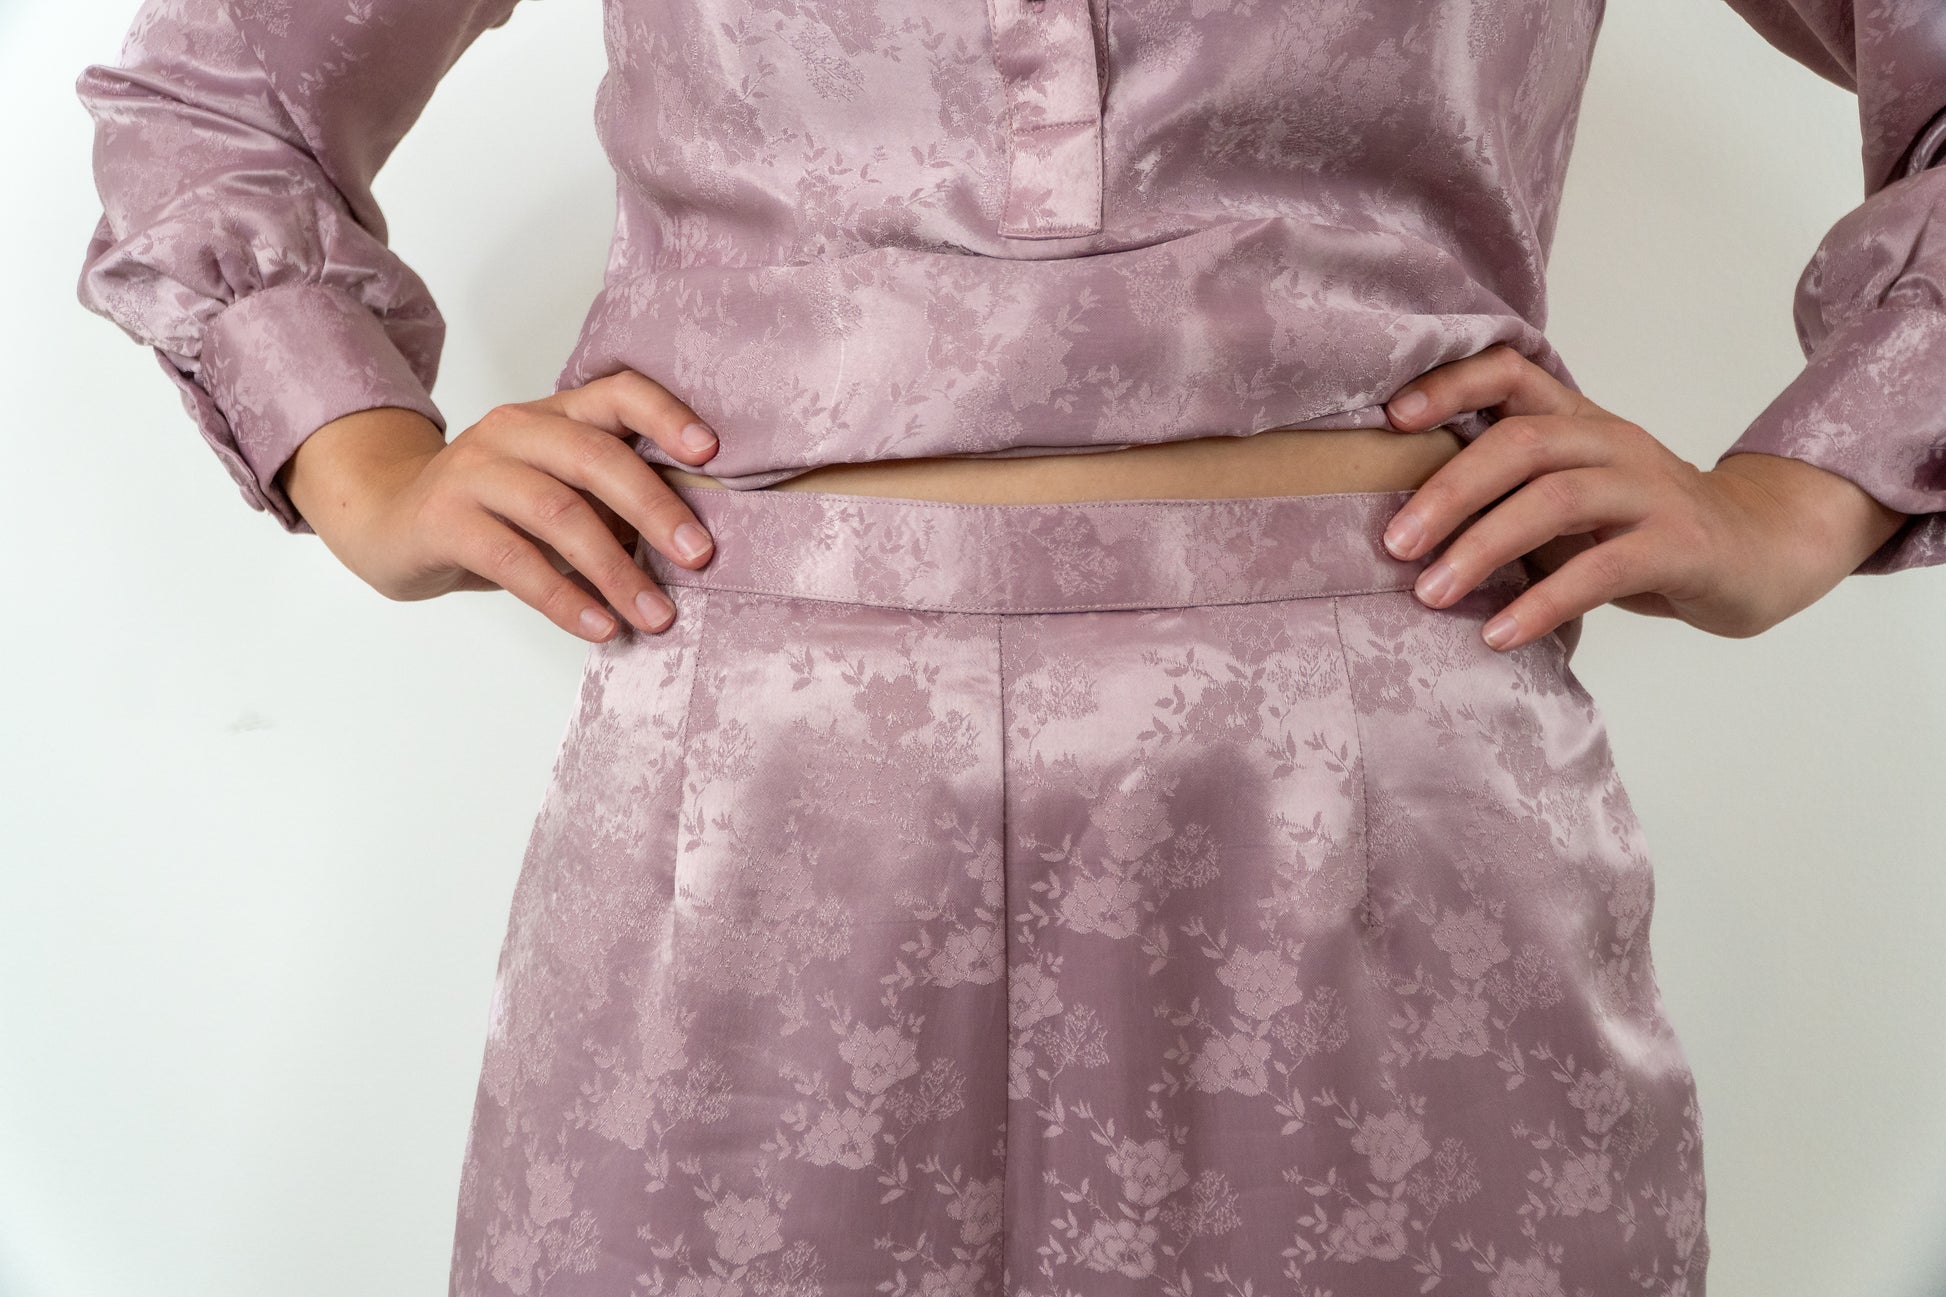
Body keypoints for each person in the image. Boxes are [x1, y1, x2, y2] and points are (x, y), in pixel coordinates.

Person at [72, 0, 1943, 1293]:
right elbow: (215, 92)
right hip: (761, 787)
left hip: (1374, 767)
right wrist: (364, 464)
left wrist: (1800, 493)